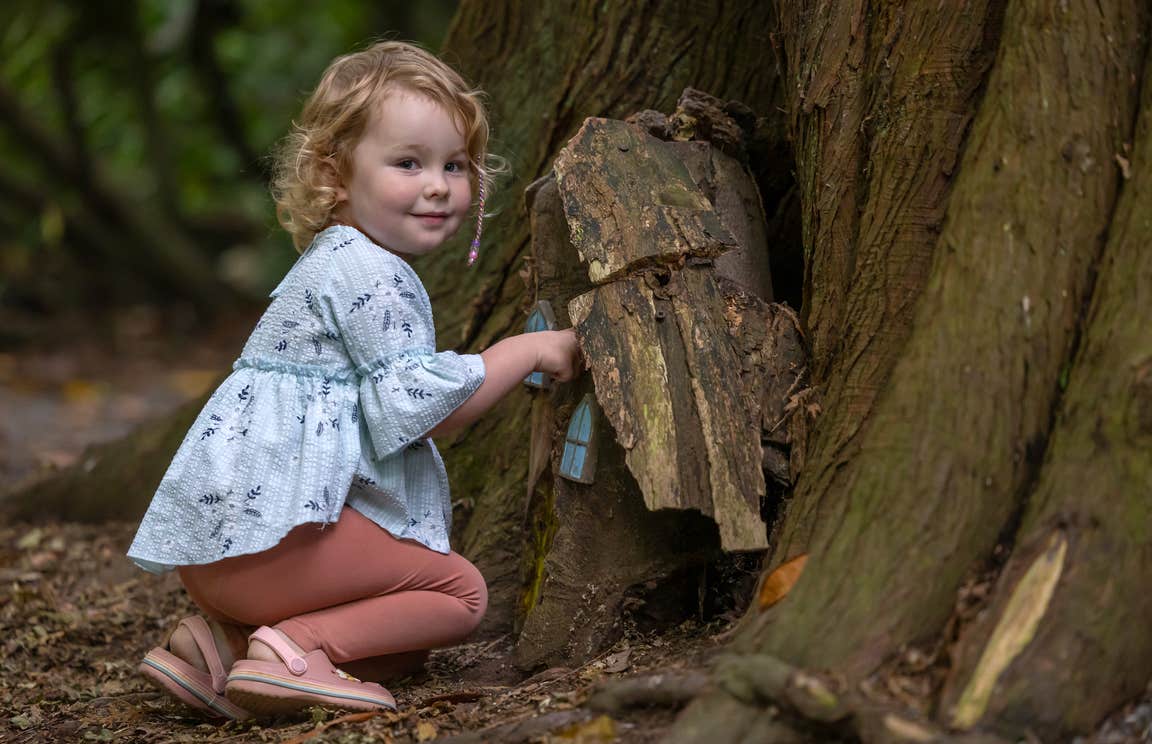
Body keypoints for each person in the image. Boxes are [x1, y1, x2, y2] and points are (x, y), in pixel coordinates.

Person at [127, 40, 581, 719]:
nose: (438, 184)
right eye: (409, 162)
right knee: (457, 597)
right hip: (269, 551)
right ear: (335, 176)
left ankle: (217, 648)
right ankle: (293, 650)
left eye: (455, 165)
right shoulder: (372, 273)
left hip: (218, 554)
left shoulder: (327, 260)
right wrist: (527, 349)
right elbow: (422, 407)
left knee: (401, 644)